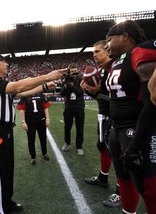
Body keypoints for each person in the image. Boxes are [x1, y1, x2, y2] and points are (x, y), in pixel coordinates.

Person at [0, 51, 63, 214]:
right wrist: (46, 77)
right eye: (4, 62)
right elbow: (19, 86)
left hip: (6, 130)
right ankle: (1, 210)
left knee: (8, 168)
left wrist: (45, 87)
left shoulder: (1, 83)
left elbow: (24, 92)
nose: (7, 64)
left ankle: (7, 202)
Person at [105, 20, 156, 214]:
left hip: (138, 129)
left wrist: (136, 144)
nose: (107, 44)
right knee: (123, 179)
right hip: (118, 129)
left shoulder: (140, 52)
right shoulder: (116, 61)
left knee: (149, 190)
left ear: (125, 36)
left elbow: (152, 101)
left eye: (109, 39)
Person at [81, 40, 121, 207]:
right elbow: (102, 96)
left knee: (117, 152)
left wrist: (95, 92)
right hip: (104, 114)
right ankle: (103, 178)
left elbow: (118, 97)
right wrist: (89, 91)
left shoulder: (115, 67)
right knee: (102, 146)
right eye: (93, 53)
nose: (94, 55)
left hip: (116, 116)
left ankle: (121, 191)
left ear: (107, 49)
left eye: (97, 51)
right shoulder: (102, 70)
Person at [17, 93, 51, 165]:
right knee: (31, 139)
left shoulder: (41, 94)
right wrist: (23, 122)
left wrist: (47, 119)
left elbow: (45, 107)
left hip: (41, 120)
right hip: (30, 121)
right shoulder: (25, 95)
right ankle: (33, 157)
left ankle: (44, 153)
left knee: (43, 138)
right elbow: (22, 110)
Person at [60, 64, 85, 155]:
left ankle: (79, 146)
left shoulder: (81, 79)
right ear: (69, 72)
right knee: (67, 127)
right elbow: (62, 94)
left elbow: (80, 92)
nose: (74, 73)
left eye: (75, 71)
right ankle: (67, 142)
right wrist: (66, 85)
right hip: (69, 107)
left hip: (79, 107)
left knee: (80, 127)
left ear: (77, 71)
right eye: (72, 71)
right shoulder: (66, 80)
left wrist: (71, 86)